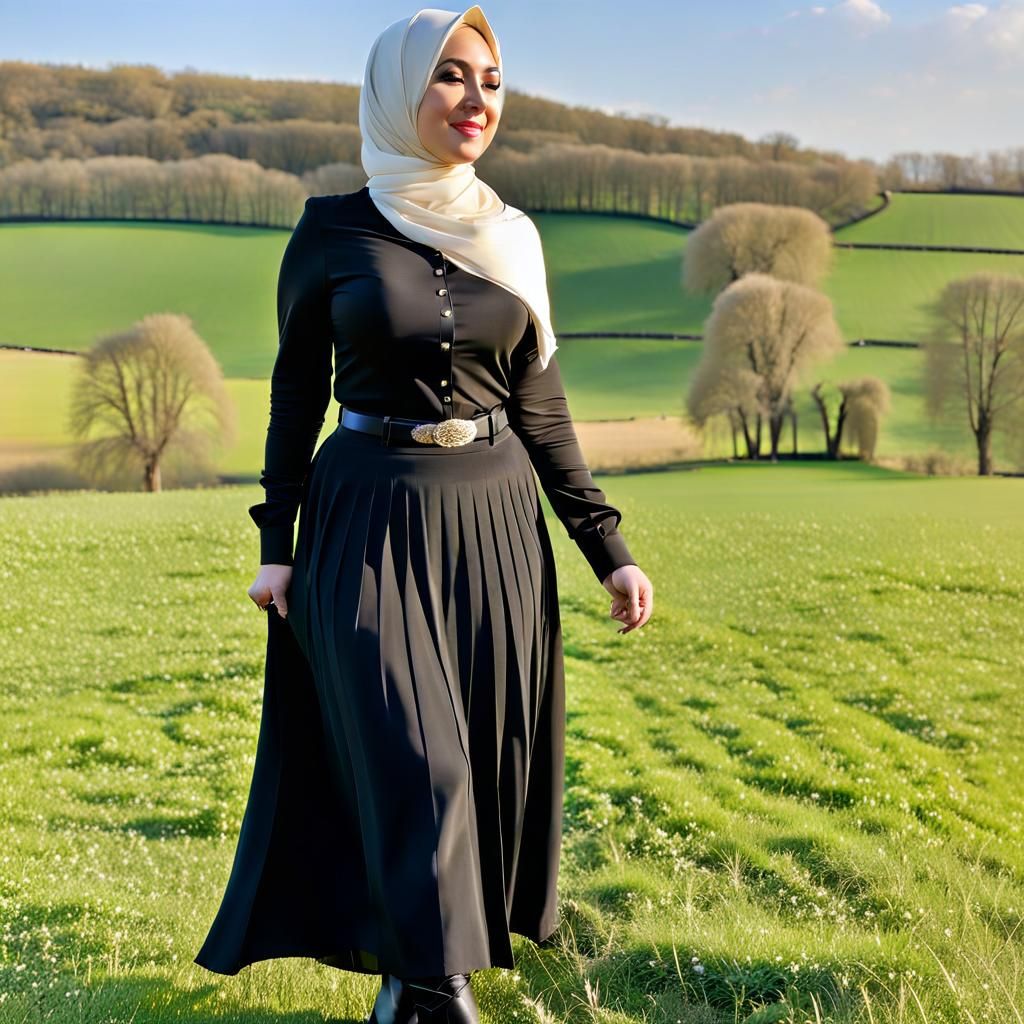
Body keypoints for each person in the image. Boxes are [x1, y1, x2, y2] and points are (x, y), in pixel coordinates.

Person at [193, 6, 654, 1022]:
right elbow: (291, 394)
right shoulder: (331, 232)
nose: (475, 99)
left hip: (494, 524)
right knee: (418, 759)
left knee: (478, 762)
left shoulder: (514, 239)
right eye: (450, 76)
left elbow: (540, 405)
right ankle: (436, 992)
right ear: (401, 92)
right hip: (365, 520)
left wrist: (606, 548)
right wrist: (277, 546)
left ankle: (414, 978)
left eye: (490, 80)